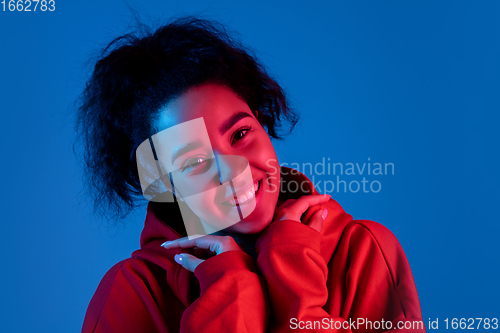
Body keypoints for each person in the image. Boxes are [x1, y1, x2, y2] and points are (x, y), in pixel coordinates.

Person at [77, 16, 426, 332]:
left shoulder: (362, 252)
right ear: (165, 183)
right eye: (194, 163)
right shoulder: (132, 292)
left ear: (261, 120)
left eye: (240, 135)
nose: (232, 171)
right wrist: (228, 299)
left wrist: (299, 305)